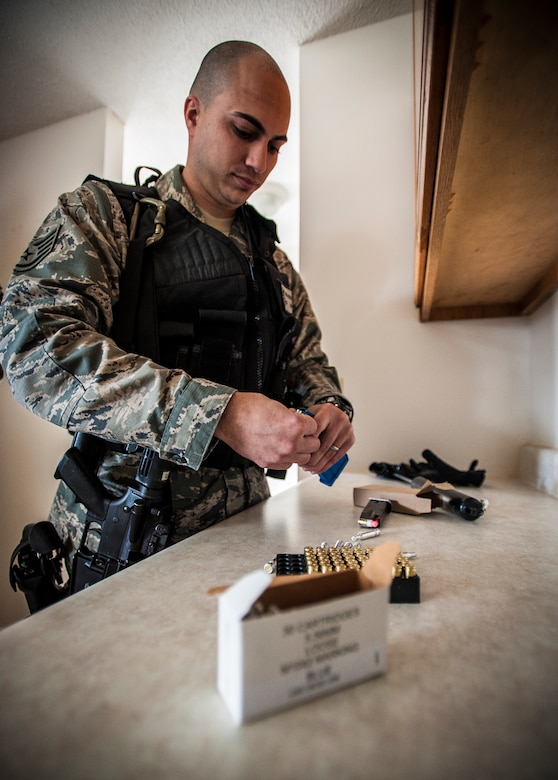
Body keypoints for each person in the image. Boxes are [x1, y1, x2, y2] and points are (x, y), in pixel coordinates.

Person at [0, 41, 355, 563]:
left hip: (247, 534)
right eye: (244, 130)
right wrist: (220, 414)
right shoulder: (108, 218)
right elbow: (33, 349)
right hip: (122, 539)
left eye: (276, 145)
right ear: (194, 114)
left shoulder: (272, 261)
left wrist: (332, 410)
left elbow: (307, 361)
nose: (260, 162)